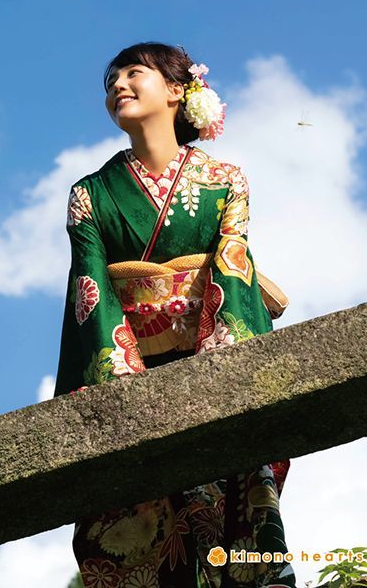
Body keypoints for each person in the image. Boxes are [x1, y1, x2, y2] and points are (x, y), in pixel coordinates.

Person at [54, 41, 296, 588]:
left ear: (176, 90)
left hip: (214, 353)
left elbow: (232, 267)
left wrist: (221, 366)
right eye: (110, 82)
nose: (118, 86)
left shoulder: (226, 179)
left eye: (133, 73)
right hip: (129, 367)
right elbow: (91, 289)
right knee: (148, 519)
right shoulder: (89, 194)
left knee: (233, 508)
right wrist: (124, 387)